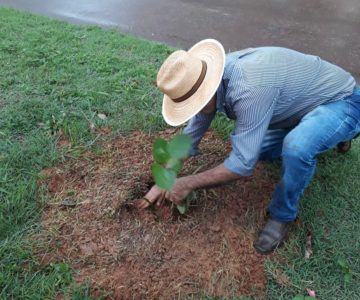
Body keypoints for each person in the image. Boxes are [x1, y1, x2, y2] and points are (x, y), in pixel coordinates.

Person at [139, 39, 360, 254]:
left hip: (342, 100)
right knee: (259, 149)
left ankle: (282, 214)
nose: (193, 111)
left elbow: (242, 165)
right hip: (300, 103)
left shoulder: (249, 89)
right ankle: (317, 130)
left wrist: (187, 183)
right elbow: (192, 133)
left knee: (296, 148)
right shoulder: (210, 77)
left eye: (194, 104)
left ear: (208, 89)